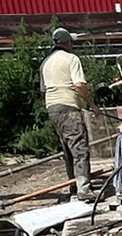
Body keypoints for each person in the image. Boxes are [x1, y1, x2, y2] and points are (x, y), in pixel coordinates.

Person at [39, 27, 95, 201]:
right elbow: (79, 85)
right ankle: (84, 189)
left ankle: (74, 186)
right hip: (68, 106)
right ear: (68, 42)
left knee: (67, 150)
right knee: (79, 148)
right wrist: (92, 105)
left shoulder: (45, 63)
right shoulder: (72, 59)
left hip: (52, 108)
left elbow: (43, 90)